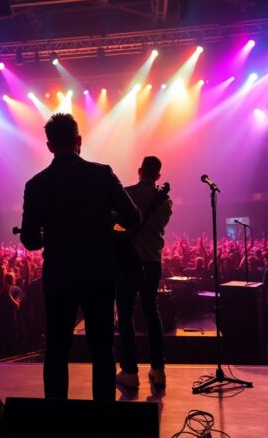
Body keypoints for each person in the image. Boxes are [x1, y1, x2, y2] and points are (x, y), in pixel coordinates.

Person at [20, 113, 140, 400]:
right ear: (79, 141)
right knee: (102, 351)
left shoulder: (36, 185)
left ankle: (56, 419)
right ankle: (103, 420)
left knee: (57, 350)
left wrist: (55, 232)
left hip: (59, 276)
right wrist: (103, 221)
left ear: (49, 146)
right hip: (99, 274)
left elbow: (30, 240)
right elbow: (133, 218)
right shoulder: (102, 173)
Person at [115, 156, 172, 389]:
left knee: (126, 314)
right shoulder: (166, 202)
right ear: (158, 175)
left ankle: (130, 371)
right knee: (151, 311)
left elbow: (115, 223)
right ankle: (158, 369)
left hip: (129, 261)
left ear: (139, 171)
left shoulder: (126, 193)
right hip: (152, 262)